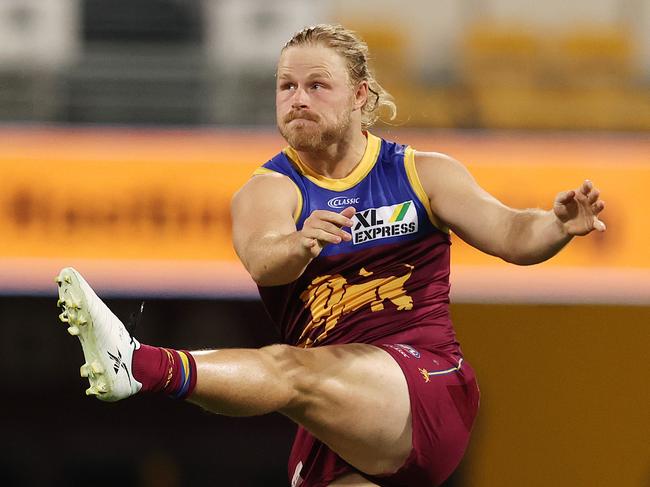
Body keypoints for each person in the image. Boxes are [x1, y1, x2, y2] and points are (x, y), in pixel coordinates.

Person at [55, 24, 606, 487]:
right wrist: (300, 242)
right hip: (337, 414)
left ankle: (141, 363)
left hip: (425, 388)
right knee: (296, 375)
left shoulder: (421, 171)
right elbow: (263, 260)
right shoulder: (267, 190)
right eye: (286, 86)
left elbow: (513, 234)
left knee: (288, 369)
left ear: (362, 96)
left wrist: (556, 225)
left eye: (318, 85)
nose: (298, 99)